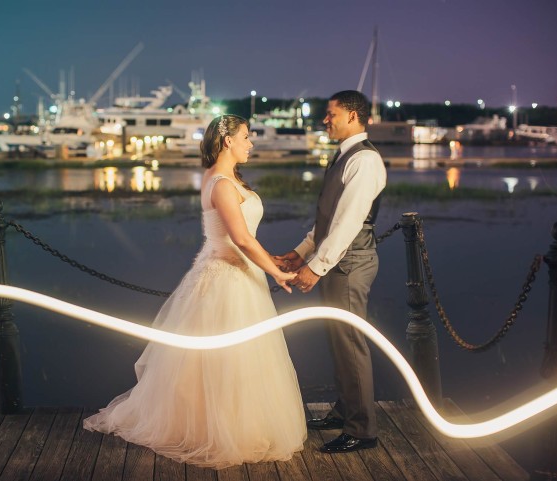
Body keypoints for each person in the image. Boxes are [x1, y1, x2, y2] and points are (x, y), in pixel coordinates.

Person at [84, 114, 307, 469]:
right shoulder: (219, 183)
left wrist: (269, 259)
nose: (251, 143)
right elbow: (241, 239)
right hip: (226, 279)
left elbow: (247, 237)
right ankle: (217, 429)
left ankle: (239, 422)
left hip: (242, 275)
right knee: (224, 359)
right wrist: (277, 272)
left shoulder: (228, 179)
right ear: (228, 141)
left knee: (241, 358)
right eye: (247, 137)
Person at [277, 90, 386, 453]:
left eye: (331, 114)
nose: (325, 120)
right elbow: (328, 220)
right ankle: (345, 411)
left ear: (353, 116)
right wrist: (301, 252)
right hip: (339, 262)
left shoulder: (365, 160)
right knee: (340, 342)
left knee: (350, 345)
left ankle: (363, 429)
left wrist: (316, 268)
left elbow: (349, 222)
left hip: (350, 265)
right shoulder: (343, 156)